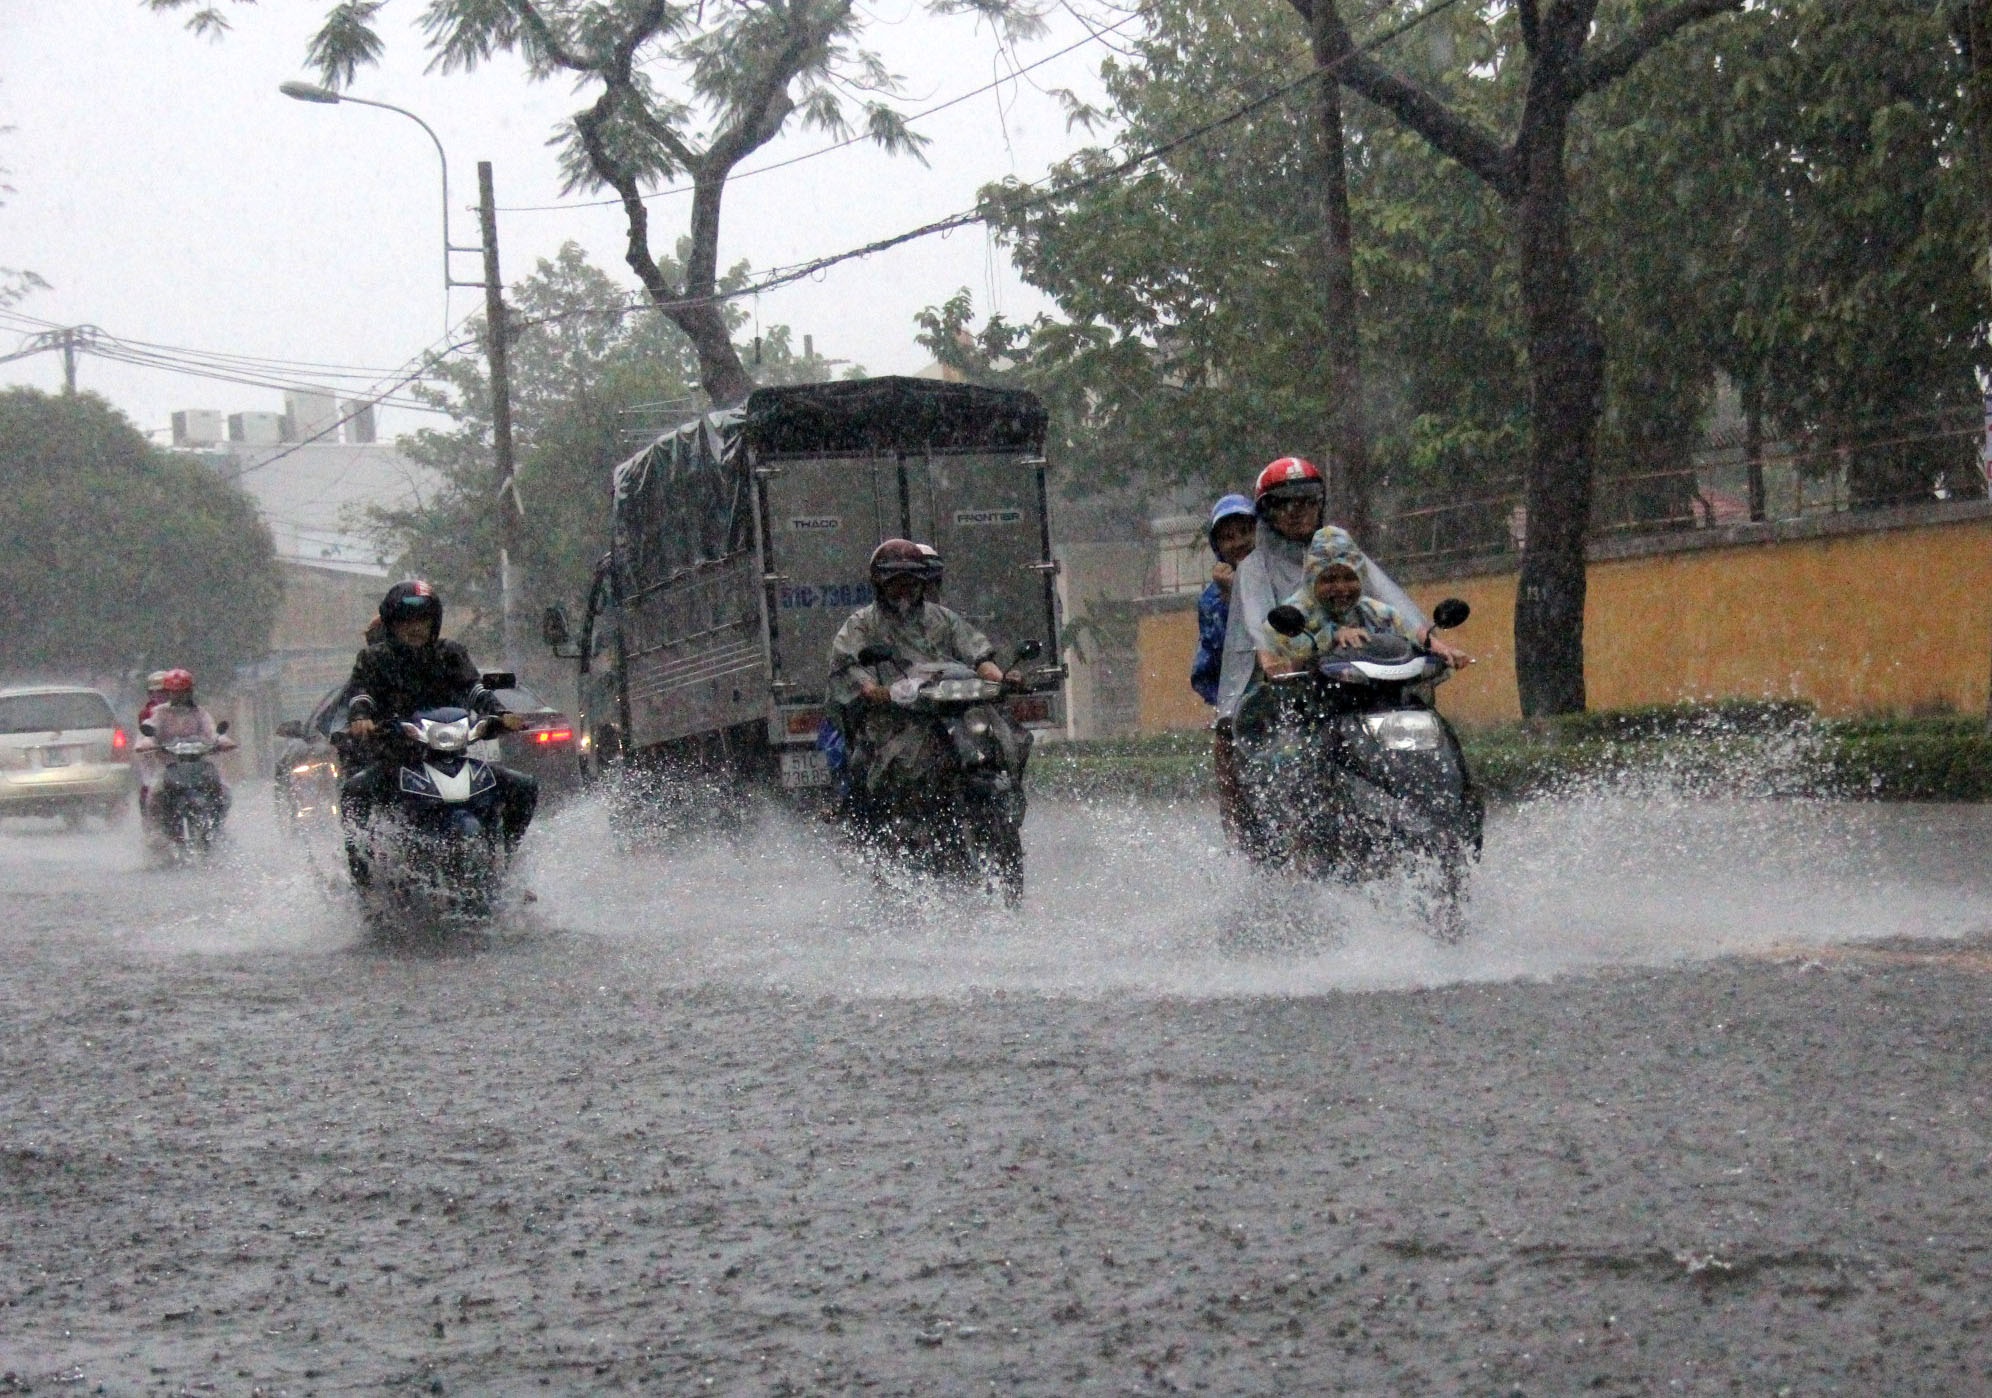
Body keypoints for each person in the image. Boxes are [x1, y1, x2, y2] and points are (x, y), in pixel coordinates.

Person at [337, 580, 537, 887]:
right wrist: (361, 718)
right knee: (354, 792)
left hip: (452, 756)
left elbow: (475, 690)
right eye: (407, 621)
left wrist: (500, 714)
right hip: (398, 759)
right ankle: (363, 882)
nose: (415, 628)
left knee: (523, 787)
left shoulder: (451, 654)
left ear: (435, 622)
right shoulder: (375, 660)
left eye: (423, 620)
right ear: (392, 624)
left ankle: (505, 862)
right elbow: (361, 694)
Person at [828, 539, 1020, 796]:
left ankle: (1006, 799)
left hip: (954, 712)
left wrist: (1002, 678)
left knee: (1010, 737)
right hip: (896, 718)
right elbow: (849, 670)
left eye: (912, 582)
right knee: (885, 765)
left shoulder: (942, 618)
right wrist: (880, 691)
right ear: (880, 584)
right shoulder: (861, 625)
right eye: (896, 583)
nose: (904, 590)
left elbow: (978, 655)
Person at [1267, 527, 1415, 668]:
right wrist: (1331, 637)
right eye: (1329, 580)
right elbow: (1287, 655)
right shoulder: (1288, 619)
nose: (1341, 588)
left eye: (1350, 578)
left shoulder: (1382, 616)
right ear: (1312, 580)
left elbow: (1412, 650)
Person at [132, 669, 235, 829]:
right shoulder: (159, 713)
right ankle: (156, 832)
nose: (179, 696)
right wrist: (147, 741)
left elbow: (212, 731)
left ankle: (217, 828)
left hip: (199, 765)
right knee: (154, 795)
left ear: (190, 692)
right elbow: (148, 729)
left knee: (224, 791)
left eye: (183, 692)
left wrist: (221, 740)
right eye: (174, 692)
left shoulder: (199, 713)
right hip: (168, 766)